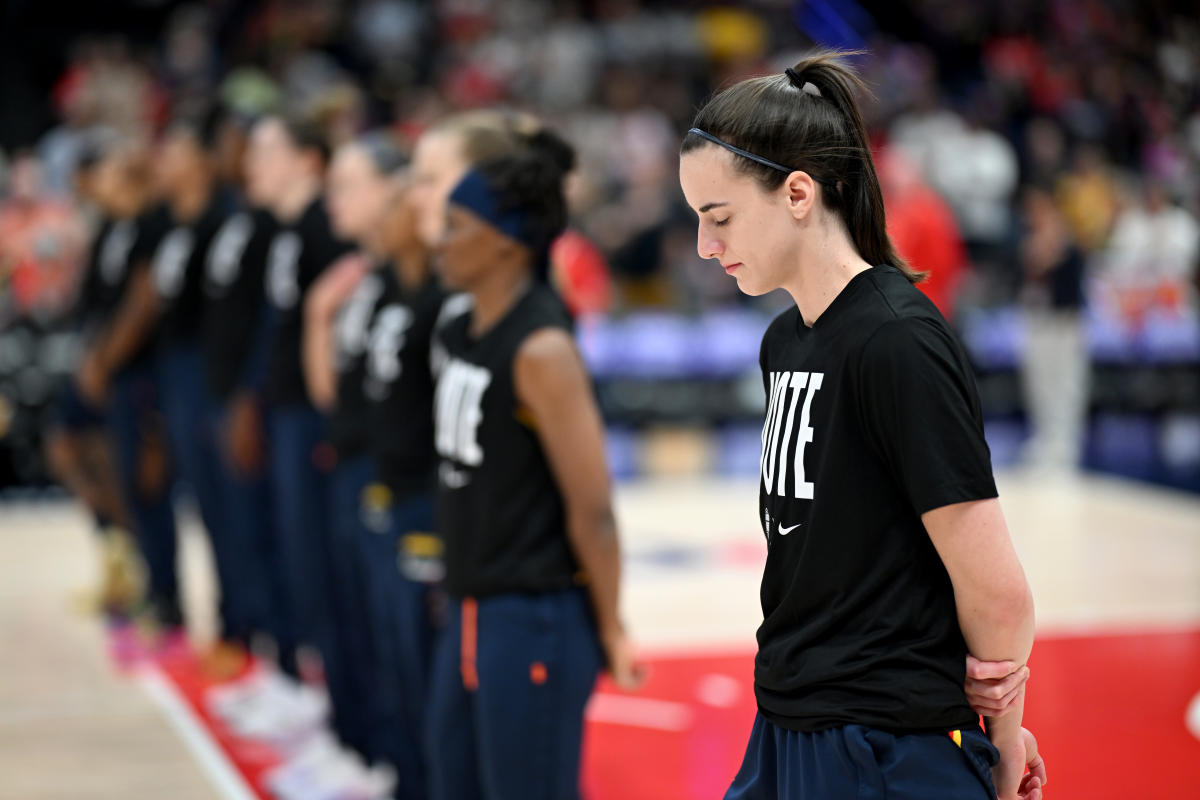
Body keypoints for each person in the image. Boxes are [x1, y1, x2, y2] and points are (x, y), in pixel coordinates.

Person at [677, 52, 1047, 800]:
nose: (702, 246)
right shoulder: (786, 339)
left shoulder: (897, 341)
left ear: (799, 194)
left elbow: (998, 593)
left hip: (882, 746)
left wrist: (1003, 744)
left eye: (718, 218)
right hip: (788, 720)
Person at [426, 135, 642, 799]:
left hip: (534, 615)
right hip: (472, 604)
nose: (439, 239)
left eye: (455, 227)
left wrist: (612, 625)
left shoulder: (542, 348)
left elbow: (593, 508)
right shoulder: (462, 328)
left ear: (506, 242)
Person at [301, 131, 442, 798]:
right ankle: (384, 760)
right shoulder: (374, 286)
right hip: (372, 477)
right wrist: (318, 315)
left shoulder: (441, 294)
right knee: (374, 633)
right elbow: (339, 391)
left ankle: (408, 770)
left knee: (414, 653)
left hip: (418, 495)